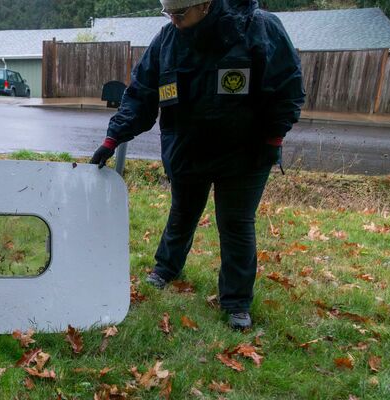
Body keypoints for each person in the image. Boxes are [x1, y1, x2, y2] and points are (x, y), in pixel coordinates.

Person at [90, 0, 304, 330]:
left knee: (235, 225)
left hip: (244, 153)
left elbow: (287, 86)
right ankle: (166, 269)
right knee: (182, 212)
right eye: (169, 14)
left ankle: (236, 302)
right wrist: (113, 138)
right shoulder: (167, 40)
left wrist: (274, 136)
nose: (173, 21)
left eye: (180, 14)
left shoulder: (258, 28)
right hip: (188, 149)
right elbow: (142, 94)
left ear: (204, 5)